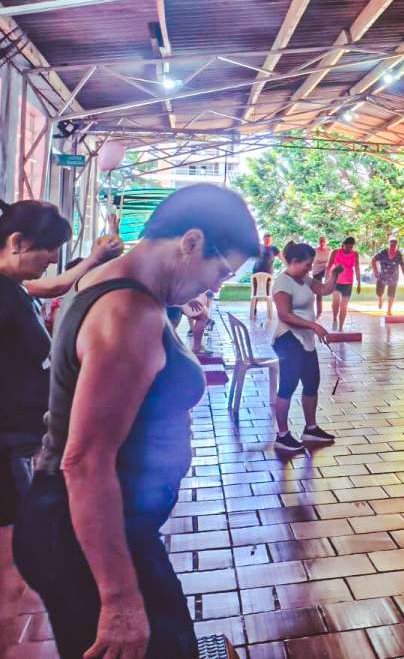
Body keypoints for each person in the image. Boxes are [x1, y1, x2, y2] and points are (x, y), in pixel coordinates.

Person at [14, 184, 258, 658]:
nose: (216, 286)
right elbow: (85, 460)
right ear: (190, 242)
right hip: (83, 531)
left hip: (87, 523)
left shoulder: (113, 283)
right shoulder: (130, 312)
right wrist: (120, 600)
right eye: (220, 270)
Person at [0, 201, 122, 620]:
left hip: (21, 435)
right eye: (48, 249)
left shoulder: (13, 286)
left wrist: (95, 260)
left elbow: (52, 287)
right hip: (7, 441)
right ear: (17, 243)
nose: (53, 259)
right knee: (15, 544)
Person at [271, 242, 344, 454]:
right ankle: (282, 435)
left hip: (305, 339)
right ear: (293, 262)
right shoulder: (282, 282)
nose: (309, 268)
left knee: (312, 383)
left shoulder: (303, 279)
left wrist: (334, 275)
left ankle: (310, 429)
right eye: (306, 264)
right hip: (288, 339)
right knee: (288, 385)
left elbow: (324, 289)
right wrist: (314, 325)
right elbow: (285, 315)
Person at [328, 236, 360, 332]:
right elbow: (329, 266)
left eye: (351, 247)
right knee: (336, 301)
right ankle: (334, 318)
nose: (349, 249)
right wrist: (327, 279)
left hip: (348, 282)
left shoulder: (355, 254)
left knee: (344, 305)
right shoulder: (335, 252)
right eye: (347, 247)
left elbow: (357, 268)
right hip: (336, 281)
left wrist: (359, 282)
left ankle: (341, 327)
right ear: (343, 245)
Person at [372, 238, 404, 317]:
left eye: (394, 246)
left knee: (391, 294)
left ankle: (389, 310)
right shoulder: (383, 253)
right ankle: (380, 299)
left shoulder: (398, 254)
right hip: (382, 276)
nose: (392, 247)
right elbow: (373, 260)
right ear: (389, 245)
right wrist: (375, 271)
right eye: (391, 245)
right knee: (379, 293)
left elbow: (403, 266)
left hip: (393, 277)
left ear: (397, 246)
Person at [180, 290, 216, 357]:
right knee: (202, 318)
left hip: (180, 297)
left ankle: (197, 347)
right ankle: (197, 348)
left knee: (202, 317)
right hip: (176, 299)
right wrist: (189, 299)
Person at [311, 236, 332, 318]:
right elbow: (310, 261)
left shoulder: (329, 250)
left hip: (326, 271)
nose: (322, 243)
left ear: (326, 242)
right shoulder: (315, 250)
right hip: (317, 272)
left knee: (334, 285)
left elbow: (332, 261)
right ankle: (318, 313)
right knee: (318, 292)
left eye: (324, 241)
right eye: (321, 241)